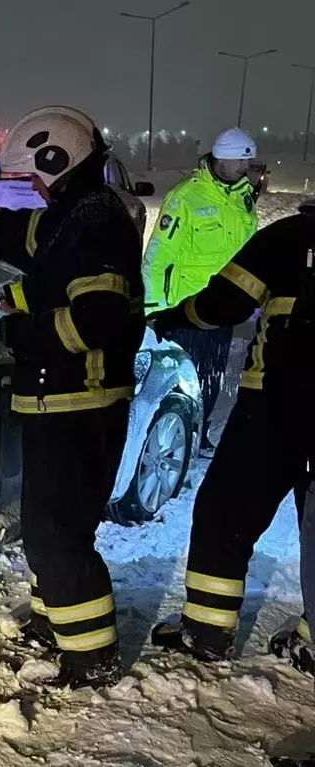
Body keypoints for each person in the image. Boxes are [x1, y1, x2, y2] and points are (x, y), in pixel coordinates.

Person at [0, 105, 145, 688]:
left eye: (35, 178)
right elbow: (18, 238)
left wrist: (19, 331)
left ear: (59, 160)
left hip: (78, 402)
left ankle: (91, 658)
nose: (33, 190)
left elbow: (96, 319)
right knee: (62, 526)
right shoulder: (77, 214)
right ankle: (60, 625)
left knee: (53, 533)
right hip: (76, 401)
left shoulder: (91, 223)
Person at [148, 200, 315, 662]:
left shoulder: (291, 235)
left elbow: (224, 303)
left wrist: (174, 316)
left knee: (225, 513)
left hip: (276, 402)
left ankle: (206, 631)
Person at [142, 128, 259, 455]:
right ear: (223, 158)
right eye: (241, 161)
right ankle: (167, 441)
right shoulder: (186, 197)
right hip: (185, 309)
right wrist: (153, 309)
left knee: (212, 375)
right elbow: (156, 256)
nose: (245, 168)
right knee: (179, 381)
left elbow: (247, 253)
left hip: (222, 307)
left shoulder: (243, 198)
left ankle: (198, 434)